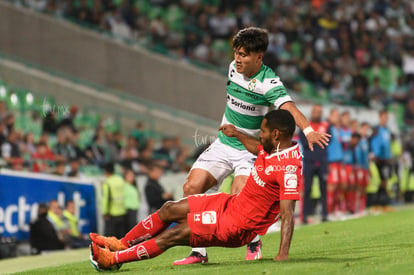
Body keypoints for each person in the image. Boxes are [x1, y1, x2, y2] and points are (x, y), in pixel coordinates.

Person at [174, 27, 329, 265]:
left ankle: (254, 239)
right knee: (191, 187)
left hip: (249, 150)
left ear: (259, 57)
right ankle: (199, 253)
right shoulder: (232, 68)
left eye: (244, 55)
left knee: (240, 199)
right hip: (224, 143)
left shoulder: (269, 82)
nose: (238, 59)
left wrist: (308, 131)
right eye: (236, 53)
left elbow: (288, 106)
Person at [90, 109, 302, 270]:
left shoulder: (288, 168)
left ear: (275, 134)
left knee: (176, 234)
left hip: (236, 225)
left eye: (263, 132)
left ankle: (114, 260)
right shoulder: (271, 147)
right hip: (229, 205)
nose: (260, 136)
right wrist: (236, 133)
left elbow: (288, 213)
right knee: (169, 209)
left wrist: (283, 254)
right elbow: (256, 147)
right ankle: (121, 244)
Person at [299, 104, 329, 224]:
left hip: (322, 161)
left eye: (319, 111)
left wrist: (314, 140)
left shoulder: (326, 125)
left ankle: (324, 214)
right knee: (307, 189)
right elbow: (304, 141)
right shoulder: (306, 126)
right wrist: (318, 140)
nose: (318, 114)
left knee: (323, 188)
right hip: (309, 160)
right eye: (316, 111)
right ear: (312, 112)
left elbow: (328, 140)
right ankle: (305, 215)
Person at [102, 162, 127, 238]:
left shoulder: (107, 182)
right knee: (120, 237)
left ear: (105, 171)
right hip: (122, 212)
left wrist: (105, 212)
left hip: (111, 213)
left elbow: (106, 199)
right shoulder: (121, 180)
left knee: (110, 238)